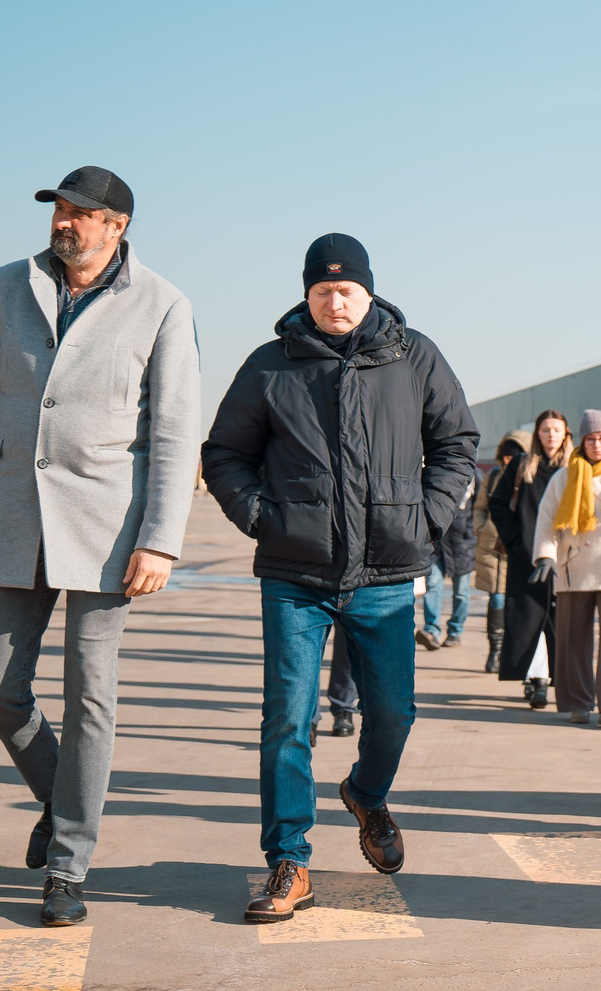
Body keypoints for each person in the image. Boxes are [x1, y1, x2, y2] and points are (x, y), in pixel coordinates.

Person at [0, 166, 201, 928]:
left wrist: (161, 540)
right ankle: (59, 794)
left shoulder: (163, 304)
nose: (63, 223)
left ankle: (68, 864)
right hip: (13, 515)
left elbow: (174, 433)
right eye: (59, 211)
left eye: (81, 214)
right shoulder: (9, 284)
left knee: (91, 692)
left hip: (109, 530)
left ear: (117, 226)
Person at [202, 234, 478, 924]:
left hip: (387, 570)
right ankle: (289, 861)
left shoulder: (413, 356)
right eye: (322, 290)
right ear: (306, 294)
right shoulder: (270, 365)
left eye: (345, 289)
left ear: (368, 290)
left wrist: (426, 519)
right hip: (296, 574)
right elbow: (225, 454)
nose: (334, 300)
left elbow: (457, 444)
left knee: (393, 712)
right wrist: (263, 517)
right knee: (287, 721)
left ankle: (366, 791)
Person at [533, 410, 601, 728]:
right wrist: (545, 556)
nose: (596, 444)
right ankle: (578, 703)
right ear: (581, 440)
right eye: (590, 438)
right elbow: (547, 519)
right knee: (573, 635)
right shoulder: (564, 475)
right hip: (572, 564)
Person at [495, 410, 571, 707]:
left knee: (559, 621)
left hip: (565, 558)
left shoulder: (574, 466)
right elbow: (498, 502)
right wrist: (515, 539)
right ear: (537, 434)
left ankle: (560, 679)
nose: (551, 434)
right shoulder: (522, 465)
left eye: (556, 429)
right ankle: (537, 680)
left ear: (566, 433)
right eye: (545, 429)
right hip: (526, 556)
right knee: (529, 618)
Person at [475, 431, 527, 672]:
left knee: (517, 602)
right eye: (504, 457)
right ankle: (494, 649)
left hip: (518, 548)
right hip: (492, 548)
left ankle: (513, 651)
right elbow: (481, 506)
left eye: (513, 457)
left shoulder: (529, 475)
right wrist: (481, 528)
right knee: (496, 598)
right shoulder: (494, 476)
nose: (508, 461)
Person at [418, 465, 475, 649]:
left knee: (461, 593)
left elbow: (480, 508)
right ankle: (431, 631)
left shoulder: (475, 476)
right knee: (433, 586)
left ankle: (455, 631)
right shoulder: (431, 471)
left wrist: (470, 532)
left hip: (462, 545)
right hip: (436, 543)